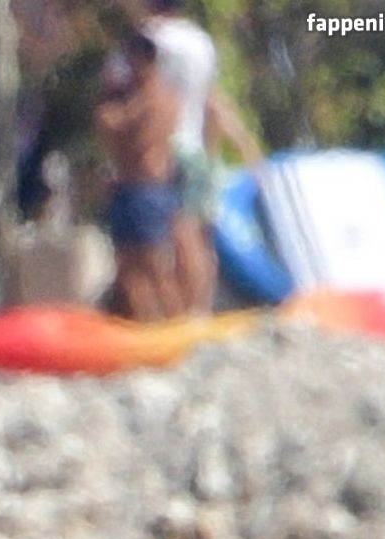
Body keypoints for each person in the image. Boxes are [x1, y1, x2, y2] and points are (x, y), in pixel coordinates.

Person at [136, 0, 263, 314]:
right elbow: (211, 99)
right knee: (198, 235)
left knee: (177, 233)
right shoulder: (199, 41)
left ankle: (182, 312)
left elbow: (149, 95)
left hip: (167, 145)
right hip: (195, 146)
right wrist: (239, 145)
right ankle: (198, 308)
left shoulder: (152, 39)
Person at [95, 31, 182, 322]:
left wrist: (115, 118)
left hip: (147, 189)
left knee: (154, 265)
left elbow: (135, 138)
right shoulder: (132, 96)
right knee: (127, 268)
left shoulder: (156, 96)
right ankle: (143, 326)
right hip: (126, 188)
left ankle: (175, 326)